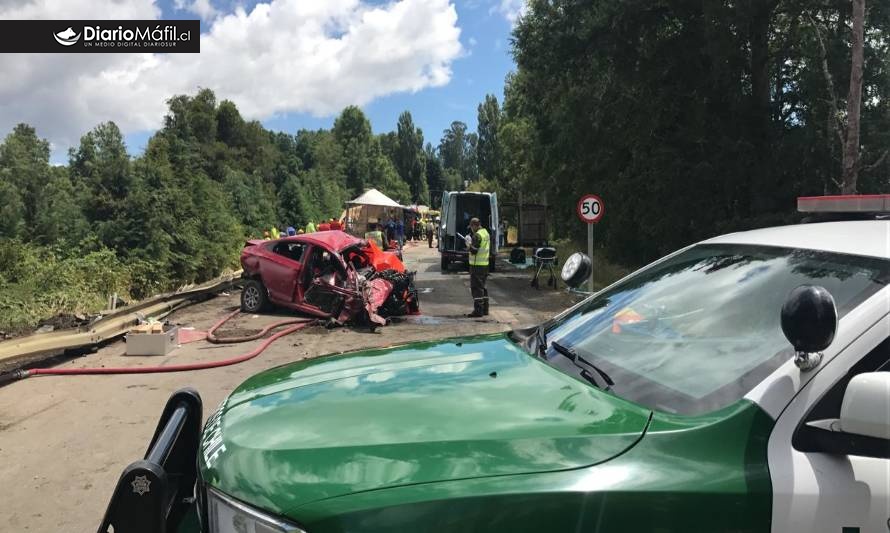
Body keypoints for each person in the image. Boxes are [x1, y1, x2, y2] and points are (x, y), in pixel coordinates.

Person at [466, 217, 490, 318]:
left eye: (471, 227)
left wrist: (468, 244)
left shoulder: (477, 235)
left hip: (477, 266)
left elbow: (474, 250)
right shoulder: (486, 233)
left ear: (475, 225)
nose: (471, 229)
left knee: (476, 288)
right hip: (485, 264)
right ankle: (485, 309)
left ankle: (478, 310)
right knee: (483, 287)